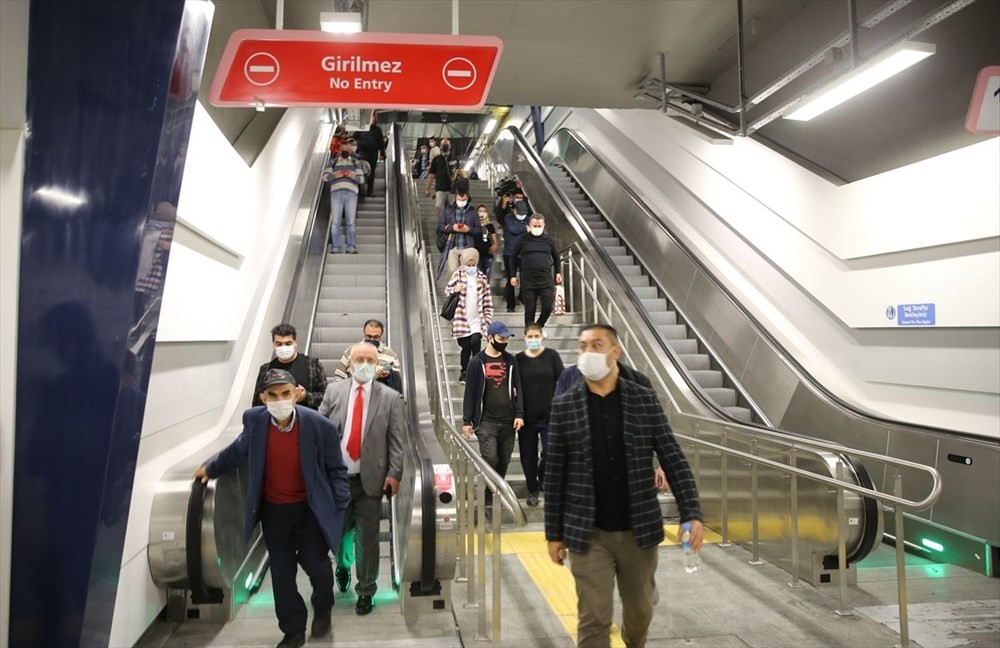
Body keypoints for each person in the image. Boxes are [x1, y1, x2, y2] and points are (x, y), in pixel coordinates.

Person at [544, 325, 704, 648]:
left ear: (615, 351)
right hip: (588, 534)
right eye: (582, 346)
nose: (588, 352)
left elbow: (672, 455)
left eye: (596, 345)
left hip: (638, 530)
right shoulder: (565, 406)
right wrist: (554, 533)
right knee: (593, 618)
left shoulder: (643, 399)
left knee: (640, 610)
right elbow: (555, 472)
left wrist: (692, 512)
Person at [194, 369, 350, 648]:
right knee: (281, 573)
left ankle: (323, 605)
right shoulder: (254, 421)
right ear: (263, 398)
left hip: (310, 510)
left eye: (286, 394)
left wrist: (338, 507)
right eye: (273, 395)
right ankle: (293, 630)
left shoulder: (318, 425)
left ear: (296, 393)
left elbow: (337, 470)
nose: (280, 400)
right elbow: (238, 450)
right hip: (274, 512)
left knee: (317, 566)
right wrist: (210, 469)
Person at [319, 343, 404, 616]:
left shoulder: (390, 398)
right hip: (337, 481)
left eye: (370, 359)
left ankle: (366, 590)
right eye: (360, 359)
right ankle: (342, 565)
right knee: (339, 533)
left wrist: (394, 473)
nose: (365, 364)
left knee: (367, 540)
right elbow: (319, 432)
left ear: (377, 362)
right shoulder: (334, 392)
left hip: (371, 480)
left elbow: (397, 442)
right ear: (350, 363)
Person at [462, 321, 524, 515]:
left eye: (506, 339)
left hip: (508, 420)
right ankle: (488, 499)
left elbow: (519, 389)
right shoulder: (477, 362)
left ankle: (493, 493)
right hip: (486, 421)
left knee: (504, 461)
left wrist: (520, 414)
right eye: (501, 338)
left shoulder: (511, 361)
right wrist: (467, 420)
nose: (504, 342)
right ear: (490, 338)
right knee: (490, 458)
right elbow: (470, 392)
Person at [515, 323, 564, 507]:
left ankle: (544, 478)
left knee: (551, 453)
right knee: (528, 457)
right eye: (530, 336)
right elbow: (515, 388)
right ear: (525, 337)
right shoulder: (518, 359)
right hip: (526, 417)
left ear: (542, 337)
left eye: (537, 336)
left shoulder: (552, 356)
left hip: (550, 416)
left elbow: (563, 379)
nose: (533, 340)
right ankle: (532, 489)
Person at [253, 323, 328, 410]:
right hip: (274, 420)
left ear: (295, 342)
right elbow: (257, 402)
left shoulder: (313, 365)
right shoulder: (265, 369)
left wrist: (305, 396)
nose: (283, 347)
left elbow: (326, 396)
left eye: (288, 343)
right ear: (273, 344)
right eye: (279, 344)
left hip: (306, 420)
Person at [445, 248, 493, 382]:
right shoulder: (457, 275)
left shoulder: (482, 279)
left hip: (478, 319)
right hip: (461, 319)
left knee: (476, 342)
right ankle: (464, 370)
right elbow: (447, 290)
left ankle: (476, 371)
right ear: (463, 264)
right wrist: (455, 289)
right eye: (468, 265)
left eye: (473, 265)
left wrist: (488, 318)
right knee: (466, 346)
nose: (471, 267)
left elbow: (488, 300)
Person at [511, 213, 562, 328]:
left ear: (544, 225)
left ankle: (538, 327)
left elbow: (556, 256)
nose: (537, 228)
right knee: (530, 310)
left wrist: (558, 272)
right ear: (529, 225)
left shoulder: (548, 240)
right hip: (528, 279)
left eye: (539, 226)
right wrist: (513, 275)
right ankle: (529, 332)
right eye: (535, 226)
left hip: (545, 278)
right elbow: (513, 256)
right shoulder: (522, 240)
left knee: (548, 307)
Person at [333, 319, 402, 393]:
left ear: (381, 336)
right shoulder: (350, 351)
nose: (372, 340)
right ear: (364, 333)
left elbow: (398, 380)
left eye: (376, 337)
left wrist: (388, 376)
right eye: (368, 336)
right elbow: (339, 377)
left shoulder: (390, 354)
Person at [322, 137, 364, 254]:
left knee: (350, 222)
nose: (345, 151)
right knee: (336, 222)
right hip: (336, 193)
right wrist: (336, 175)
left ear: (350, 151)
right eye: (343, 149)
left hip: (351, 193)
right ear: (340, 150)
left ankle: (351, 247)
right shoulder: (333, 162)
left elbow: (361, 179)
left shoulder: (356, 163)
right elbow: (325, 177)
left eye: (347, 149)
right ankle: (336, 247)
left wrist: (352, 176)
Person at [496, 187, 530, 312]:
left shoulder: (527, 219)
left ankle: (522, 297)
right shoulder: (508, 218)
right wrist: (525, 228)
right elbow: (513, 229)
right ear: (514, 210)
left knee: (525, 278)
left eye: (524, 214)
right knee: (511, 279)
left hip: (524, 254)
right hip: (510, 254)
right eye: (520, 213)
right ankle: (510, 305)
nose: (522, 216)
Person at [438, 178, 480, 275]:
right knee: (453, 271)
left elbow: (478, 230)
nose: (462, 202)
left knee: (467, 273)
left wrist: (468, 229)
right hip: (452, 246)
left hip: (467, 246)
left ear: (467, 197)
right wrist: (452, 228)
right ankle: (454, 289)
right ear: (455, 197)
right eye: (459, 200)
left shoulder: (473, 211)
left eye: (464, 200)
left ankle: (464, 290)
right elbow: (440, 226)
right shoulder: (448, 210)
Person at [356, 112, 385, 198]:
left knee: (371, 172)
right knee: (361, 170)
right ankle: (361, 190)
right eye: (370, 117)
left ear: (375, 119)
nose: (371, 119)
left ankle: (370, 191)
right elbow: (354, 137)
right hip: (362, 152)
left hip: (373, 153)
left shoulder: (377, 130)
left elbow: (381, 143)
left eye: (373, 117)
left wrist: (383, 153)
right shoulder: (361, 128)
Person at [425, 139, 454, 217]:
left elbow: (459, 173)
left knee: (452, 209)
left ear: (450, 146)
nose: (445, 146)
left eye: (447, 144)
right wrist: (427, 188)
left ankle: (451, 227)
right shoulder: (436, 159)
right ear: (440, 146)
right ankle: (442, 225)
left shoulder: (454, 158)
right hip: (440, 188)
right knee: (438, 206)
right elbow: (431, 175)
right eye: (443, 144)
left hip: (452, 189)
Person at [473, 203, 498, 282]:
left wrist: (494, 246)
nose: (482, 213)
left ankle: (486, 292)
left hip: (487, 254)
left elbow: (495, 241)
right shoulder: (473, 225)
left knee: (487, 277)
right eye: (480, 211)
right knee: (478, 276)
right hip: (476, 254)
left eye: (484, 211)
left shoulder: (490, 226)